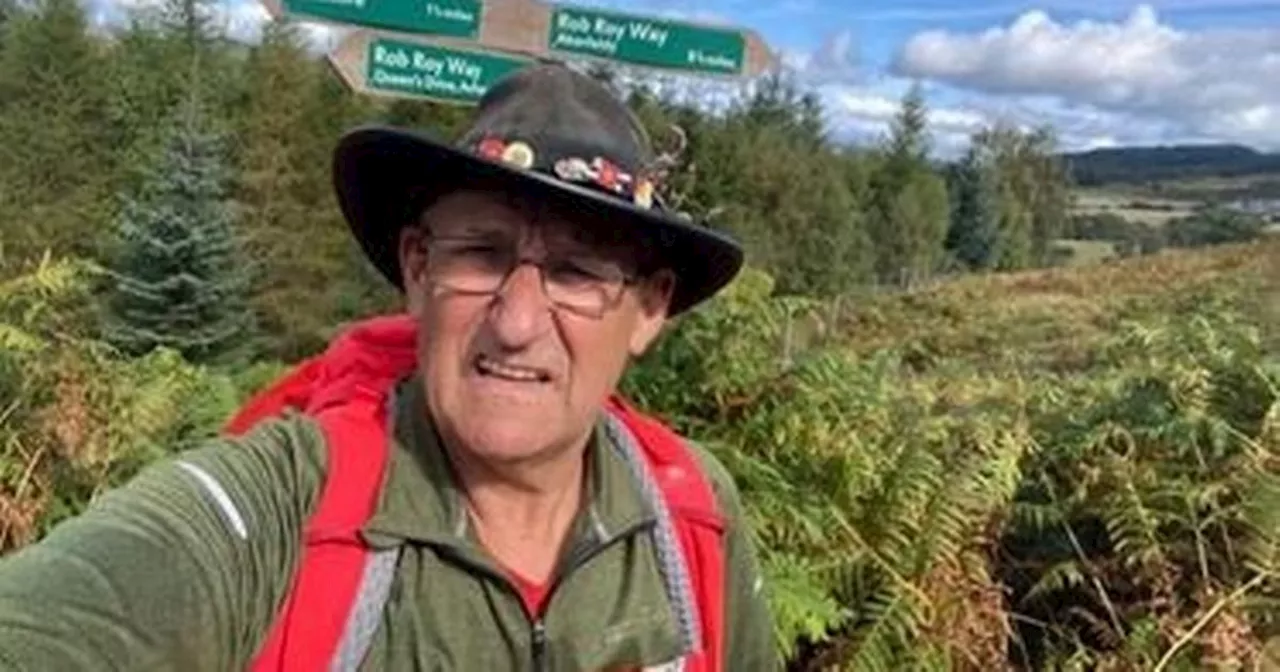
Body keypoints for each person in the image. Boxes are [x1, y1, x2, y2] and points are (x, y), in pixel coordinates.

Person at [0, 62, 777, 671]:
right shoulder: (285, 508)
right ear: (416, 268)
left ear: (649, 309)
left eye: (577, 274)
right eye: (480, 253)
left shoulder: (692, 515)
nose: (515, 322)